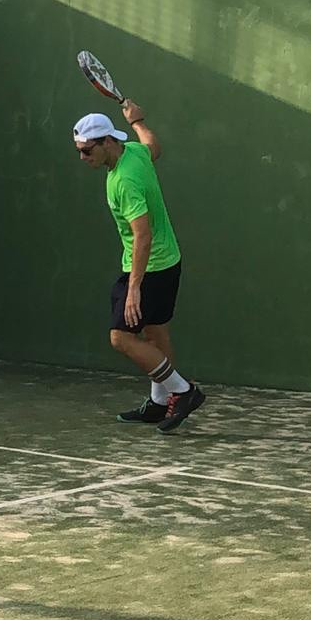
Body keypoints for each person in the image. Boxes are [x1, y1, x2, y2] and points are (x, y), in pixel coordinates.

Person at [74, 99, 204, 431]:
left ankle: (184, 391)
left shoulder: (124, 182)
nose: (83, 157)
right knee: (156, 333)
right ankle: (160, 404)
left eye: (87, 150)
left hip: (150, 268)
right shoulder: (133, 152)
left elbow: (142, 235)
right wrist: (138, 122)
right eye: (79, 151)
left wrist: (134, 288)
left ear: (106, 142)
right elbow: (153, 148)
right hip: (168, 261)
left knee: (120, 337)